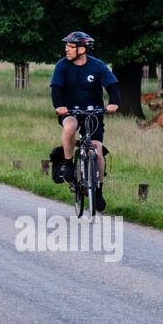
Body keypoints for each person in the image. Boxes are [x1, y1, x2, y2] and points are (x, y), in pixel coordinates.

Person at [51, 31, 120, 212]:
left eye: (70, 46)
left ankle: (98, 191)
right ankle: (67, 163)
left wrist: (114, 103)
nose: (66, 49)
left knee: (97, 151)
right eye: (66, 46)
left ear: (81, 49)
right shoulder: (62, 66)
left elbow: (113, 86)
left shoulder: (97, 66)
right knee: (71, 126)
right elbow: (56, 89)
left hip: (93, 112)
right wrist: (59, 106)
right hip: (70, 110)